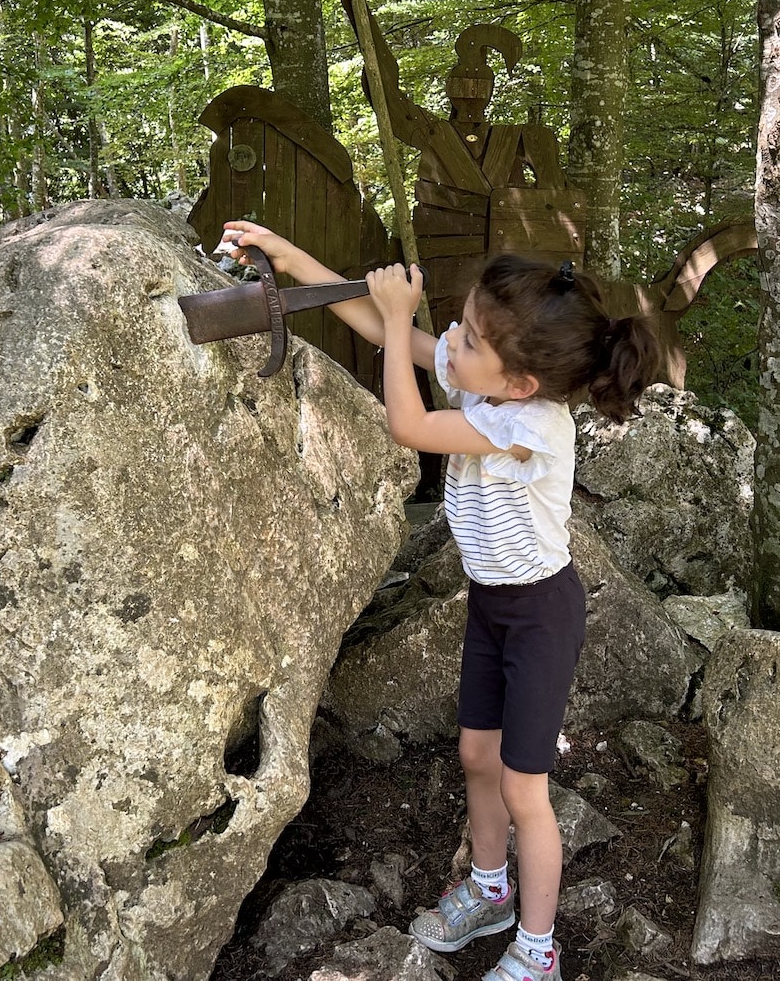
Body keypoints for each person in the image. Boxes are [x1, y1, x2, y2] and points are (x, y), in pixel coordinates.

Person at [218, 220, 662, 981]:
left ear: (519, 380)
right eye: (456, 324)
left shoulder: (529, 424)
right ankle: (489, 890)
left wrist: (400, 321)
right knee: (474, 755)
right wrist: (291, 257)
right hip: (492, 603)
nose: (448, 339)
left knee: (526, 787)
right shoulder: (486, 378)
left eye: (468, 338)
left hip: (540, 615)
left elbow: (408, 423)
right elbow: (380, 327)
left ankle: (537, 948)